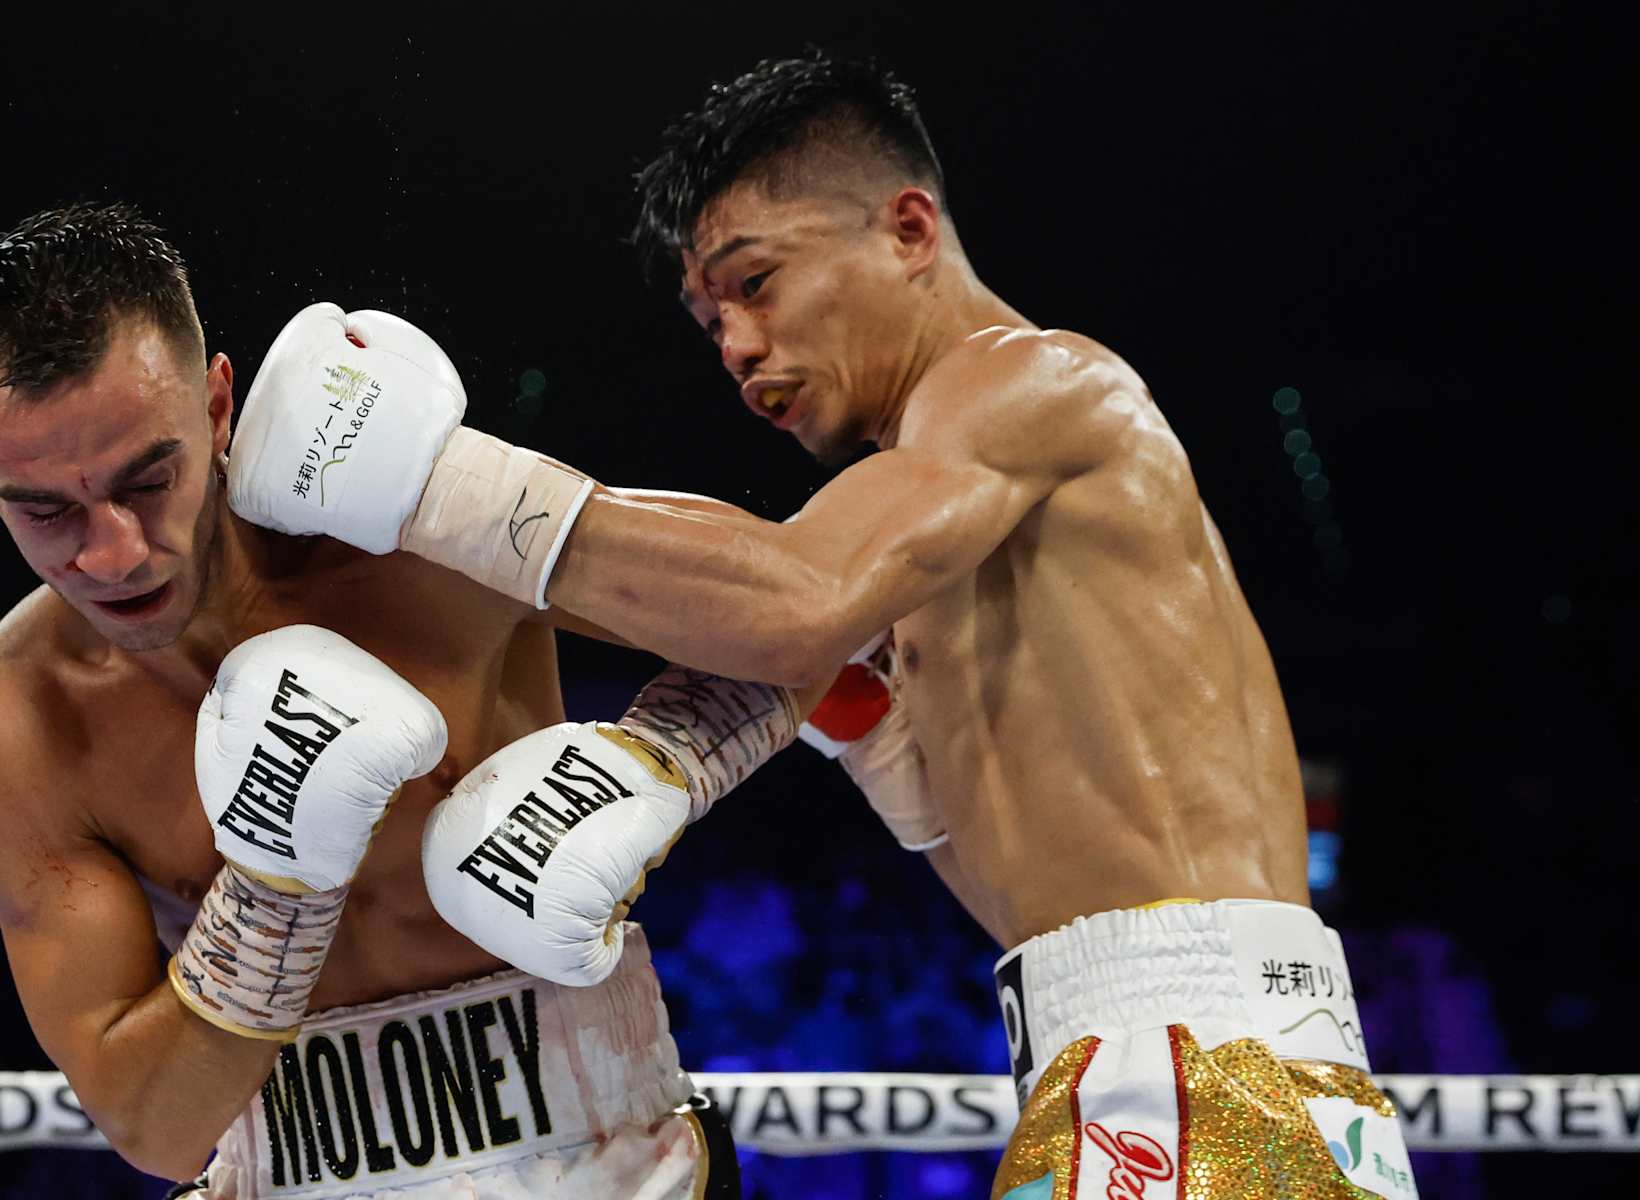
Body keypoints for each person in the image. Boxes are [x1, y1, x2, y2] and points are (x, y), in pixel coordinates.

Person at [229, 55, 1420, 1199]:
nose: (739, 347)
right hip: (1157, 1053)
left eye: (756, 283)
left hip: (1194, 1066)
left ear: (907, 230)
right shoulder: (946, 512)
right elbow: (1008, 860)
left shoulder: (1027, 381)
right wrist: (868, 733)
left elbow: (794, 597)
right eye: (709, 322)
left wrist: (434, 488)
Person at [0, 202, 783, 1199]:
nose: (111, 552)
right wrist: (274, 881)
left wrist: (656, 761)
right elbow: (153, 1128)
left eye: (148, 480)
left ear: (216, 405)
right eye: (46, 511)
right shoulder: (7, 733)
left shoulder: (418, 538)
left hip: (616, 1165)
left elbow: (800, 613)